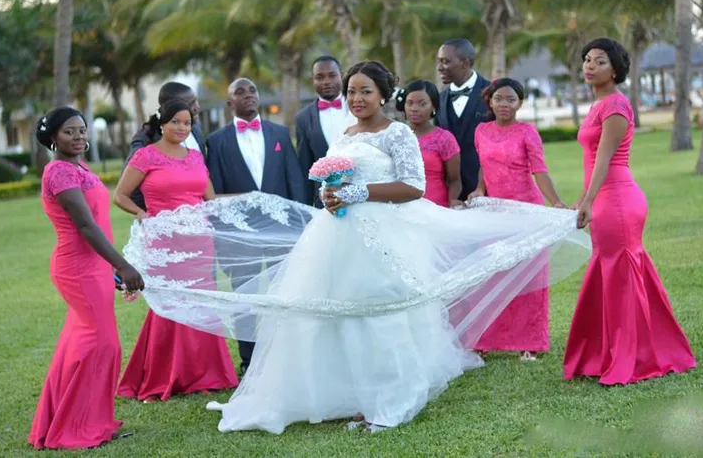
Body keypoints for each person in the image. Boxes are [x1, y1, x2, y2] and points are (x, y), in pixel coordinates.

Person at [125, 60, 591, 435]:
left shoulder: (397, 132)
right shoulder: (344, 134)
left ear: (383, 95)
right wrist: (334, 194)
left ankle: (389, 400)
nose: (356, 99)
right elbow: (339, 178)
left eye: (365, 91)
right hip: (336, 233)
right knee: (328, 312)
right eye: (351, 92)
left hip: (382, 234)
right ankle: (342, 394)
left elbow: (411, 185)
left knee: (379, 310)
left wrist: (360, 193)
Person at [564, 38, 696, 385]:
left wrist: (590, 201)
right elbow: (590, 161)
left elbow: (605, 160)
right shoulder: (596, 105)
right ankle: (604, 353)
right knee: (610, 273)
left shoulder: (617, 106)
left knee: (620, 275)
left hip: (618, 201)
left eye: (600, 61)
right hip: (602, 196)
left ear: (616, 70)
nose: (590, 66)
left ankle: (632, 356)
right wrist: (582, 197)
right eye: (587, 60)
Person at [29, 107, 144, 450]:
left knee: (79, 344)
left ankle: (82, 421)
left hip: (94, 266)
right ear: (53, 138)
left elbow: (97, 226)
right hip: (77, 267)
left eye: (82, 130)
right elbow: (85, 227)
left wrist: (110, 270)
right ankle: (76, 428)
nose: (79, 137)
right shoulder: (60, 173)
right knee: (101, 344)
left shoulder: (77, 167)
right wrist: (123, 266)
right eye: (70, 132)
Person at [113, 99, 239, 402]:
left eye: (187, 123)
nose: (182, 128)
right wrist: (143, 214)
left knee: (202, 301)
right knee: (171, 303)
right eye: (175, 122)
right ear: (162, 123)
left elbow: (210, 198)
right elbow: (120, 195)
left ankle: (210, 373)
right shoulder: (146, 156)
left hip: (199, 241)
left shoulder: (196, 157)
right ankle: (166, 374)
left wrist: (247, 199)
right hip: (167, 243)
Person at [205, 77, 306, 374]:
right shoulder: (217, 141)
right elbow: (216, 197)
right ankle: (249, 362)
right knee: (244, 300)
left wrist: (299, 227)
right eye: (239, 91)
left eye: (252, 90)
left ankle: (287, 355)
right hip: (241, 236)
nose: (247, 95)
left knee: (287, 293)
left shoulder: (280, 133)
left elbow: (295, 181)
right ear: (229, 103)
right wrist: (226, 237)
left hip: (282, 231)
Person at [468, 78, 567, 361]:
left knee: (530, 279)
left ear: (520, 103)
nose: (504, 104)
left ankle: (530, 343)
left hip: (526, 213)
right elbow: (484, 168)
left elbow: (540, 171)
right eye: (499, 98)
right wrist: (478, 189)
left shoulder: (528, 132)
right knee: (493, 276)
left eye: (511, 99)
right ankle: (486, 340)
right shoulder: (481, 131)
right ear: (490, 101)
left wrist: (556, 202)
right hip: (494, 215)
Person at [124, 82, 206, 211]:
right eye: (191, 103)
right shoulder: (145, 139)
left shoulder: (195, 130)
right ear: (171, 106)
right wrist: (156, 211)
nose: (197, 107)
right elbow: (130, 188)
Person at [435, 38, 493, 200]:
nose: (439, 67)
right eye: (438, 62)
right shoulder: (439, 99)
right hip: (451, 192)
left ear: (465, 63)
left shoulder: (493, 94)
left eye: (445, 62)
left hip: (488, 188)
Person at [295, 56, 353, 207]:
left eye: (332, 75)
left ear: (341, 75)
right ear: (312, 80)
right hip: (324, 200)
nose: (326, 81)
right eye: (319, 77)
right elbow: (305, 166)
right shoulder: (303, 118)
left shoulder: (357, 107)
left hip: (360, 192)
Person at [396, 80, 463, 207]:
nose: (414, 109)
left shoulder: (444, 138)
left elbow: (454, 180)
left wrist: (452, 201)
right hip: (402, 207)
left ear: (433, 106)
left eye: (422, 104)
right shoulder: (396, 135)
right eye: (410, 103)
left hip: (435, 208)